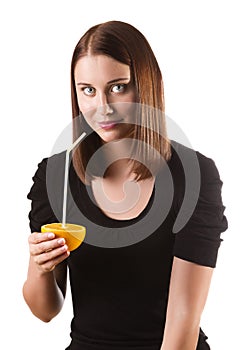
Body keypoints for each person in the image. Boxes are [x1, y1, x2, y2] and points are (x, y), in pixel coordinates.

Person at [23, 20, 228, 350]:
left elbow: (183, 325)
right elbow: (45, 310)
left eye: (118, 87)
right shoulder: (56, 175)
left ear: (146, 85)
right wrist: (40, 267)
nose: (102, 107)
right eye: (87, 90)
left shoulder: (195, 175)